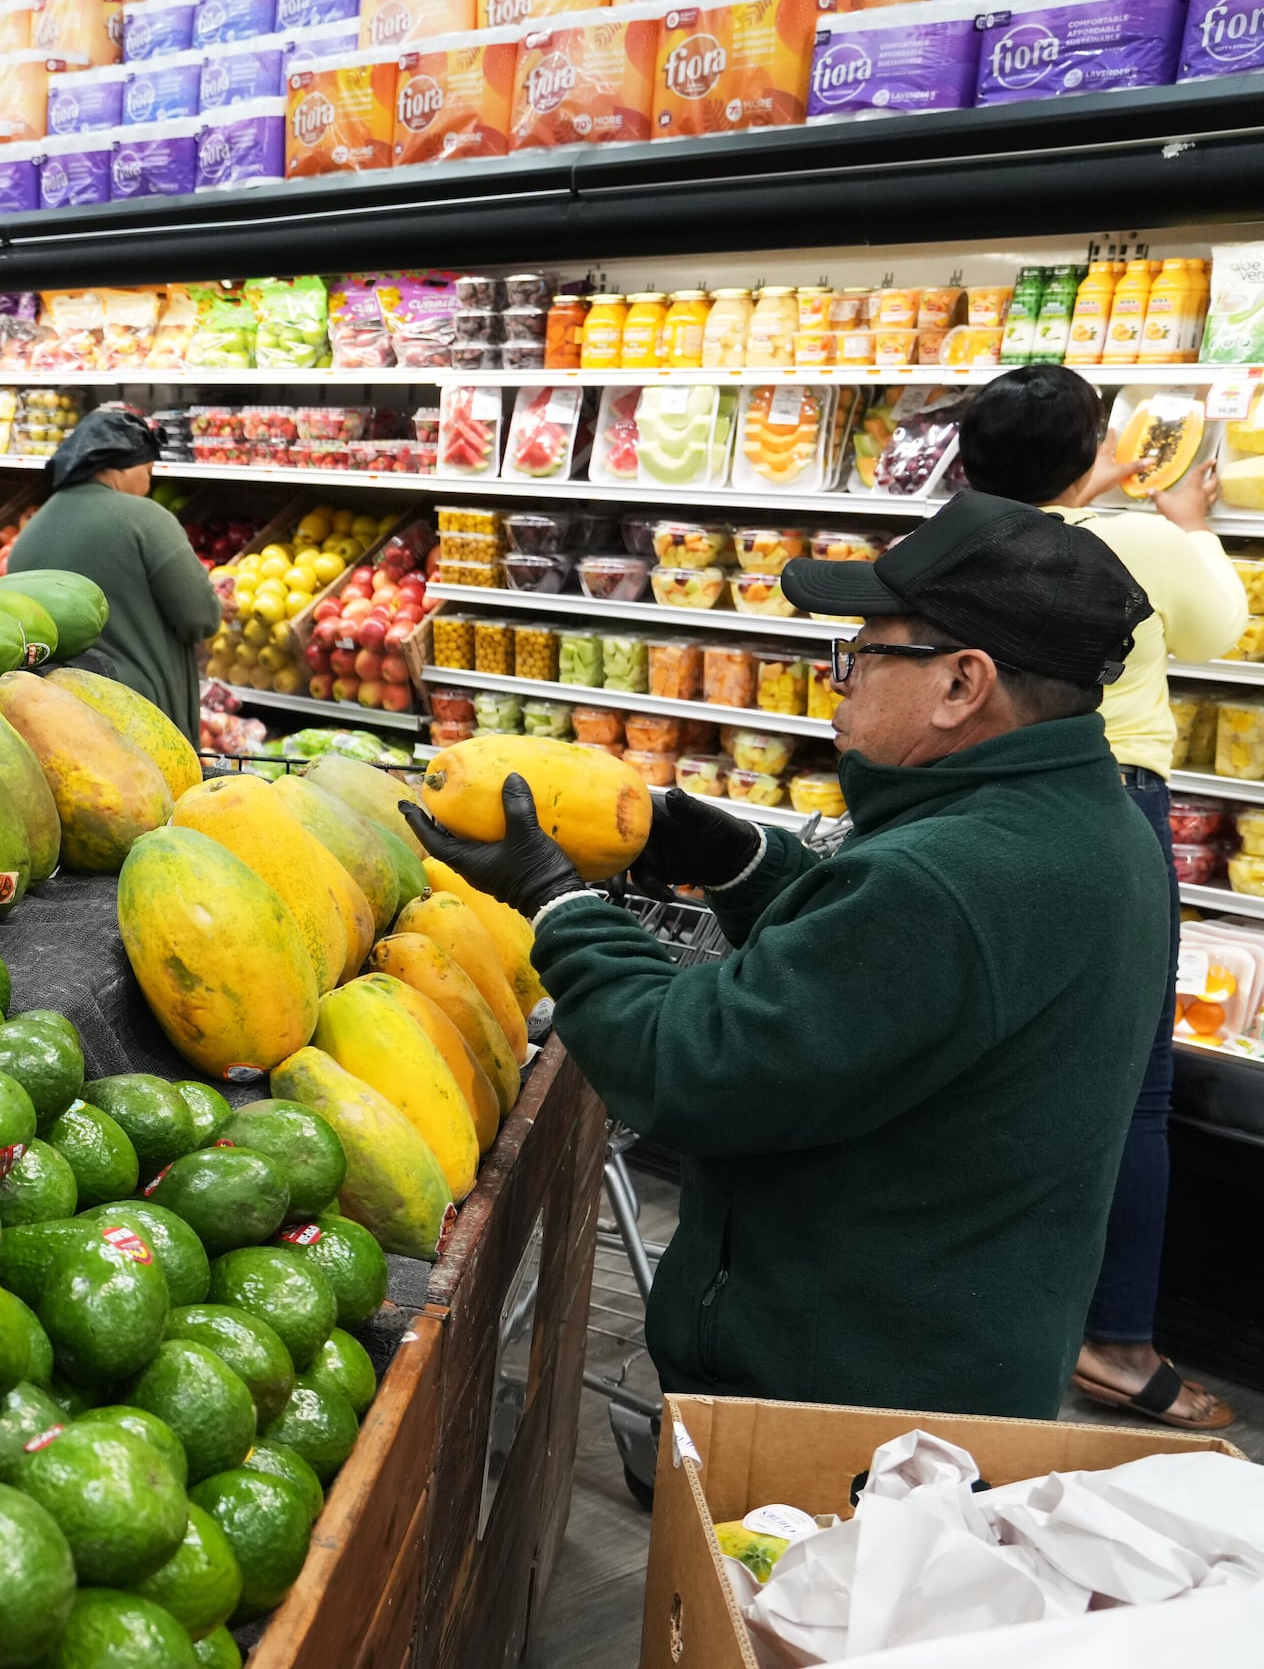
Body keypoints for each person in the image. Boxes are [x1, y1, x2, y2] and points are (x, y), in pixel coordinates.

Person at [408, 492, 1170, 1420]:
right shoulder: (1097, 827)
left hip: (841, 1400)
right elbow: (895, 994)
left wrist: (557, 902)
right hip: (955, 1363)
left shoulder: (946, 880)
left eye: (864, 653)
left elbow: (687, 1064)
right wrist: (747, 863)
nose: (836, 679)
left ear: (961, 684)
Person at [956, 365, 1247, 1431]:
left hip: (976, 805)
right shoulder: (1134, 540)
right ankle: (1117, 1342)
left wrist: (1094, 483)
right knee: (1133, 1088)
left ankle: (986, 1303)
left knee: (990, 1061)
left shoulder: (955, 539)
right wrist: (1186, 521)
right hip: (1107, 799)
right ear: (1093, 454)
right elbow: (1217, 627)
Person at [5, 409, 222, 742]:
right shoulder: (146, 519)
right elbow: (200, 618)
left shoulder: (28, 536)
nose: (148, 484)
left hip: (56, 723)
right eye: (148, 471)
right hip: (142, 720)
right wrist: (214, 601)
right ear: (121, 465)